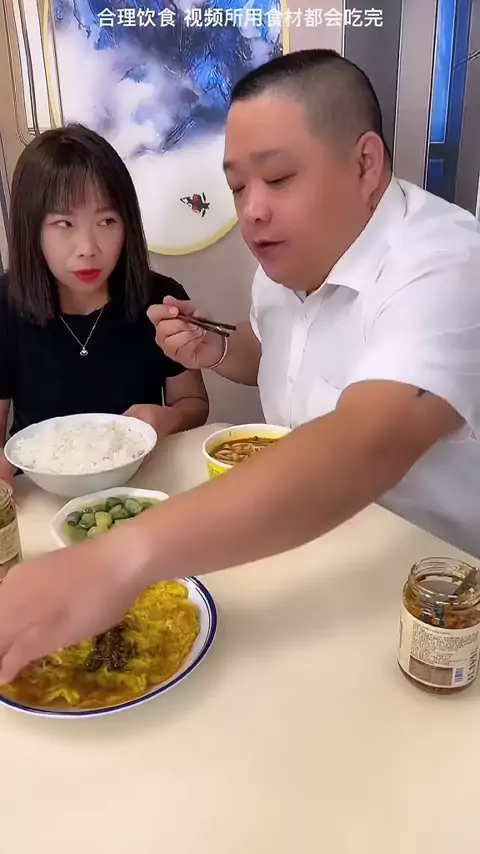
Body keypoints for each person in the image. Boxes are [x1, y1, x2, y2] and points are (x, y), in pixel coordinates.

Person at [1, 48, 480, 684]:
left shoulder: (446, 265)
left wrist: (119, 559)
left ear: (366, 164)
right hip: (306, 564)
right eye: (237, 187)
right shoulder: (284, 267)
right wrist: (218, 351)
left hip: (436, 596)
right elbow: (269, 355)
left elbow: (366, 443)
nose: (251, 210)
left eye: (277, 179)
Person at [0, 125, 209, 486]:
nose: (88, 248)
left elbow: (193, 403)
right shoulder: (5, 303)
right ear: (31, 228)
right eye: (64, 223)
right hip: (38, 492)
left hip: (142, 484)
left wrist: (166, 419)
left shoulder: (160, 297)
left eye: (107, 221)